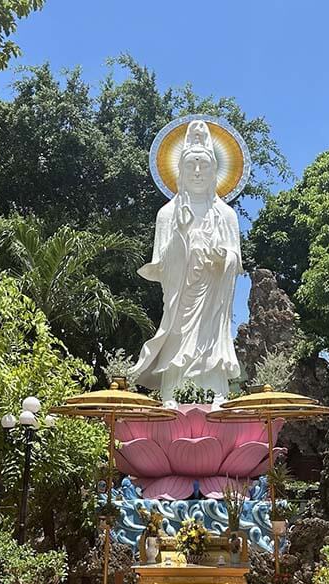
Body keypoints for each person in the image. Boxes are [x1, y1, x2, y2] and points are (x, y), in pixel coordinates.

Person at [132, 120, 242, 403]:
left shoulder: (226, 215)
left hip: (212, 304)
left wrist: (224, 259)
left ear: (214, 171)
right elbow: (161, 267)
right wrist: (180, 237)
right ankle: (174, 395)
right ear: (179, 170)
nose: (197, 172)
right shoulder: (167, 214)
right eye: (191, 165)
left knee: (210, 347)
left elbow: (235, 261)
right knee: (178, 344)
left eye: (203, 165)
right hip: (181, 300)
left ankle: (215, 396)